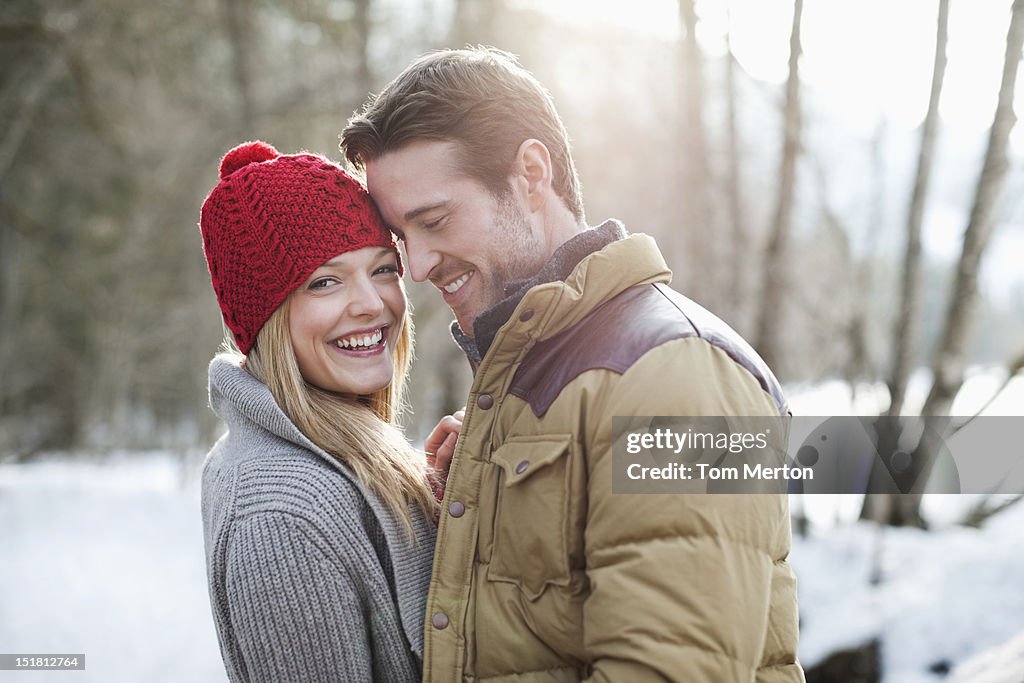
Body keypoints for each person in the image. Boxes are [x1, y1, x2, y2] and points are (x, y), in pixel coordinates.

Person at [342, 47, 805, 682]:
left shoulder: (680, 373)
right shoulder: (530, 377)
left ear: (532, 174)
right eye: (403, 239)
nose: (417, 266)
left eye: (435, 221)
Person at [197, 140, 455, 682]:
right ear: (265, 319)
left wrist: (450, 499)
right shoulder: (280, 514)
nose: (372, 303)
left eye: (384, 269)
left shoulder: (339, 451)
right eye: (325, 281)